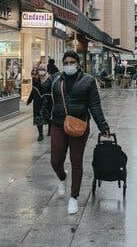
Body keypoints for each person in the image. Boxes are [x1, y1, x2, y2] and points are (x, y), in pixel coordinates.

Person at [45, 51, 110, 214]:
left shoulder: (88, 81)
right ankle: (62, 177)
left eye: (72, 62)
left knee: (76, 160)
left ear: (78, 63)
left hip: (79, 124)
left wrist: (103, 127)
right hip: (58, 124)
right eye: (66, 62)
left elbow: (94, 105)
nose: (69, 65)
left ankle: (74, 197)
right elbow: (44, 93)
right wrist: (38, 76)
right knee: (55, 160)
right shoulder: (56, 79)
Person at [26, 64, 51, 141]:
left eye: (43, 69)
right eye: (40, 69)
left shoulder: (49, 79)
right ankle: (40, 134)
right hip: (37, 102)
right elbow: (34, 90)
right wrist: (29, 100)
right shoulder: (36, 80)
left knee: (48, 117)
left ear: (46, 70)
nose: (41, 71)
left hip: (47, 102)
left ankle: (50, 129)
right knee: (38, 118)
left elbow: (45, 89)